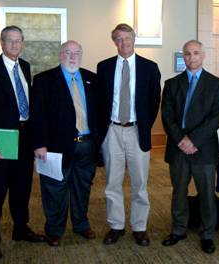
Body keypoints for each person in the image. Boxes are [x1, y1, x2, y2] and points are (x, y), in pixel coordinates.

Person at [0, 25, 45, 261]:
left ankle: (20, 228)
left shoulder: (25, 67)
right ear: (1, 42)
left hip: (24, 138)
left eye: (19, 41)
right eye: (10, 41)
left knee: (22, 188)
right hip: (2, 140)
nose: (15, 45)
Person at [97, 23, 161, 246]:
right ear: (114, 42)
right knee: (112, 182)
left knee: (139, 182)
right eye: (118, 39)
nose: (123, 43)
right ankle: (116, 225)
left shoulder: (149, 67)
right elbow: (100, 101)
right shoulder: (103, 67)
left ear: (134, 39)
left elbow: (154, 101)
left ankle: (139, 226)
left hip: (137, 131)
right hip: (112, 130)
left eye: (127, 38)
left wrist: (143, 126)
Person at [30, 40, 98, 247]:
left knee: (82, 187)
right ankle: (54, 229)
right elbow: (37, 115)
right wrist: (39, 144)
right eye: (68, 52)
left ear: (81, 55)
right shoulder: (44, 80)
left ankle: (81, 224)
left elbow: (100, 113)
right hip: (55, 147)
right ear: (60, 55)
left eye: (77, 53)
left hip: (86, 145)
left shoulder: (91, 79)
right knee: (54, 189)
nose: (72, 56)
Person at [161, 40, 219, 254]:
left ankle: (207, 234)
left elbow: (215, 118)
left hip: (204, 149)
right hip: (178, 148)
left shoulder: (217, 84)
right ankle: (178, 229)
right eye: (187, 54)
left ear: (203, 55)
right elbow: (167, 116)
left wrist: (193, 141)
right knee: (178, 192)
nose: (192, 57)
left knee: (207, 193)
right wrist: (182, 140)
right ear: (183, 57)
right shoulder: (171, 84)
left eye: (196, 53)